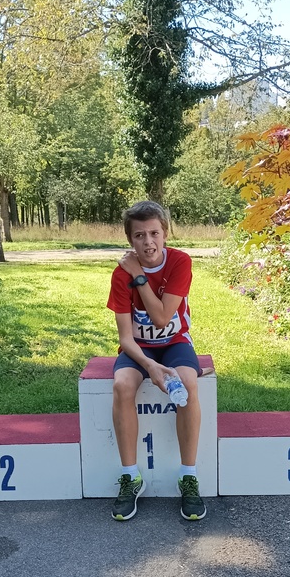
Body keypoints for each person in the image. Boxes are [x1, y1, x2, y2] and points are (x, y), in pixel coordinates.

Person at [107, 199, 208, 522]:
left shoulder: (179, 262)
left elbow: (163, 318)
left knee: (187, 383)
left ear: (165, 233)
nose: (148, 242)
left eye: (154, 233)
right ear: (130, 239)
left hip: (175, 343)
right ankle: (130, 476)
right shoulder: (119, 275)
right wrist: (149, 366)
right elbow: (125, 339)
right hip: (139, 349)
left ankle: (188, 476)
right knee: (122, 385)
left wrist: (139, 276)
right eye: (139, 235)